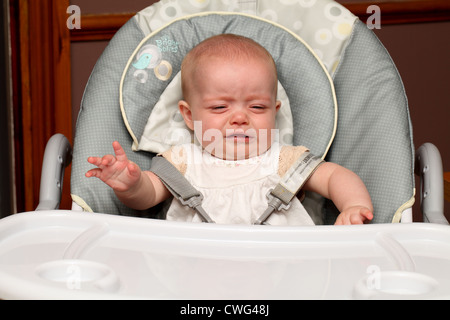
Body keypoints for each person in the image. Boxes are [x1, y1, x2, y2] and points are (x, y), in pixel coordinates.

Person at [86, 34, 373, 225]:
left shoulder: (283, 160)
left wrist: (352, 206)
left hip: (282, 275)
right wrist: (131, 185)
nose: (239, 118)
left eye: (257, 108)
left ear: (274, 113)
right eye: (220, 107)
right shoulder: (183, 162)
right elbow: (147, 196)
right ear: (188, 115)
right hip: (196, 276)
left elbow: (336, 175)